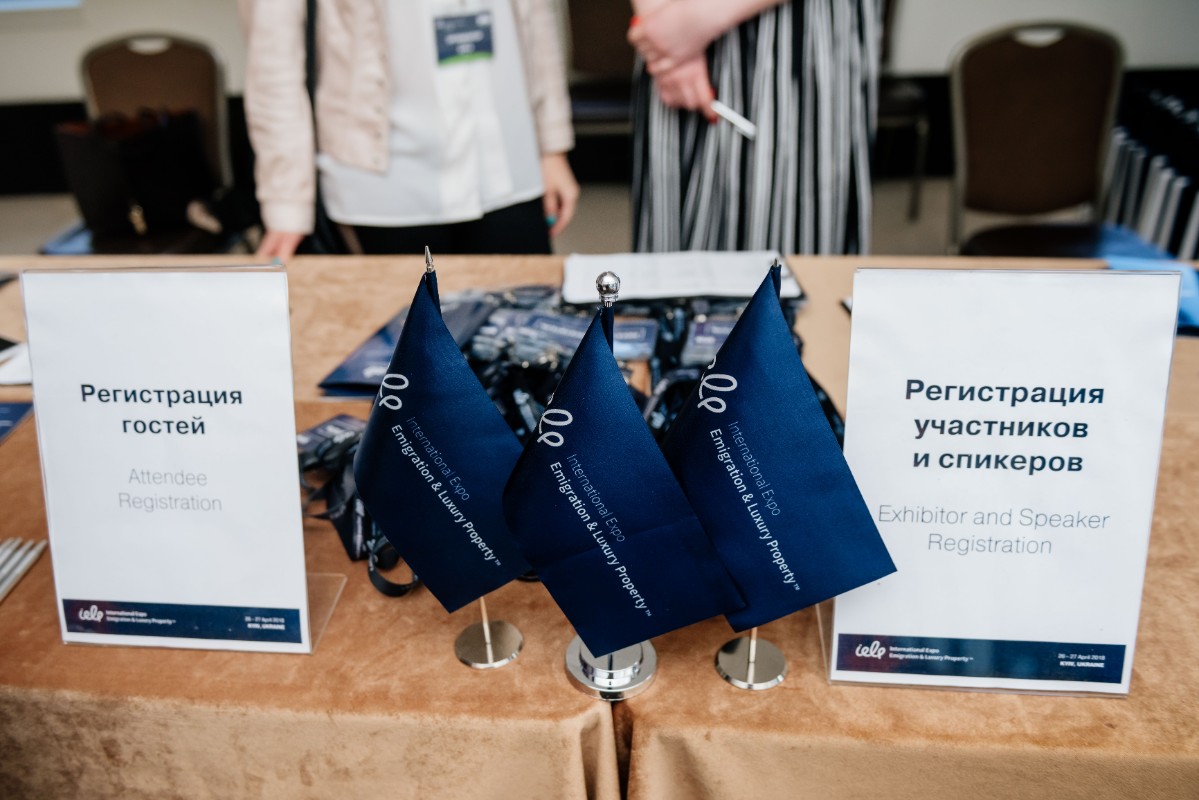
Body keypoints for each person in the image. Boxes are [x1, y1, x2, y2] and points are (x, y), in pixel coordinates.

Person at [239, 0, 579, 258]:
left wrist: (551, 146)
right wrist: (287, 201)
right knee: (399, 331)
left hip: (509, 163)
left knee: (525, 324)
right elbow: (274, 60)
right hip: (383, 184)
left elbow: (537, 15)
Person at [627, 0, 879, 254]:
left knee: (792, 246)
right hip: (671, 33)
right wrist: (663, 26)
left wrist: (697, 20)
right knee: (673, 245)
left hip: (803, 35)